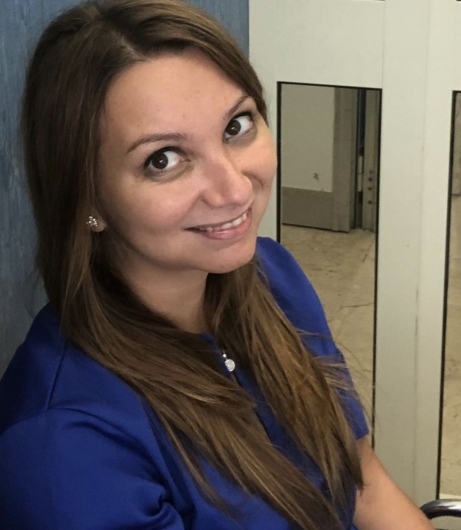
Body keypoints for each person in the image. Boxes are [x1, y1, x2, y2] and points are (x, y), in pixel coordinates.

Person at [0, 1, 434, 528]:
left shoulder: (272, 276)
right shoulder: (64, 448)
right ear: (85, 197)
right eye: (163, 159)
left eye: (236, 126)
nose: (234, 189)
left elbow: (360, 480)